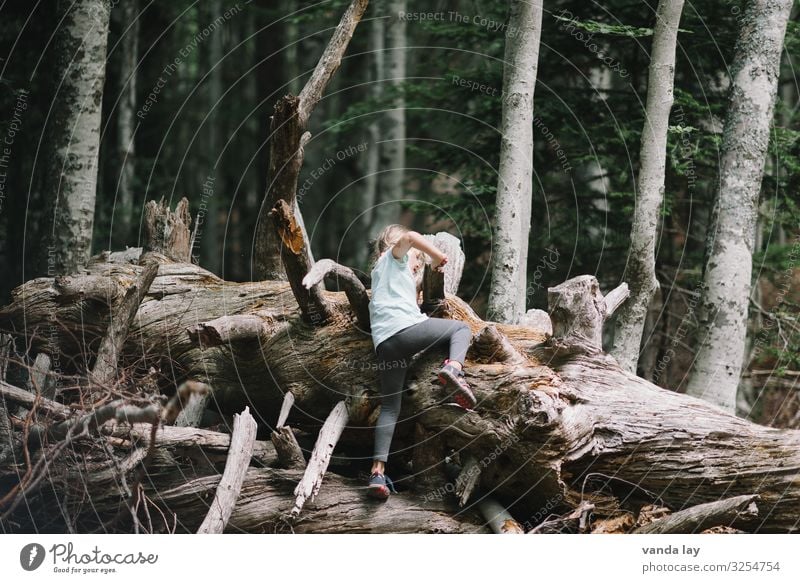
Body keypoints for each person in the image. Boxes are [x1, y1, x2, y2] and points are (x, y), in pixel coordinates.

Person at [366, 224, 475, 500]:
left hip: (385, 345)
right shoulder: (393, 256)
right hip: (405, 331)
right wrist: (439, 256)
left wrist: (427, 273)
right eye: (417, 257)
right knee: (461, 329)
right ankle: (453, 370)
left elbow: (407, 286)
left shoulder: (381, 274)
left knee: (391, 406)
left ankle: (377, 472)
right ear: (394, 244)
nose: (417, 262)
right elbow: (413, 237)